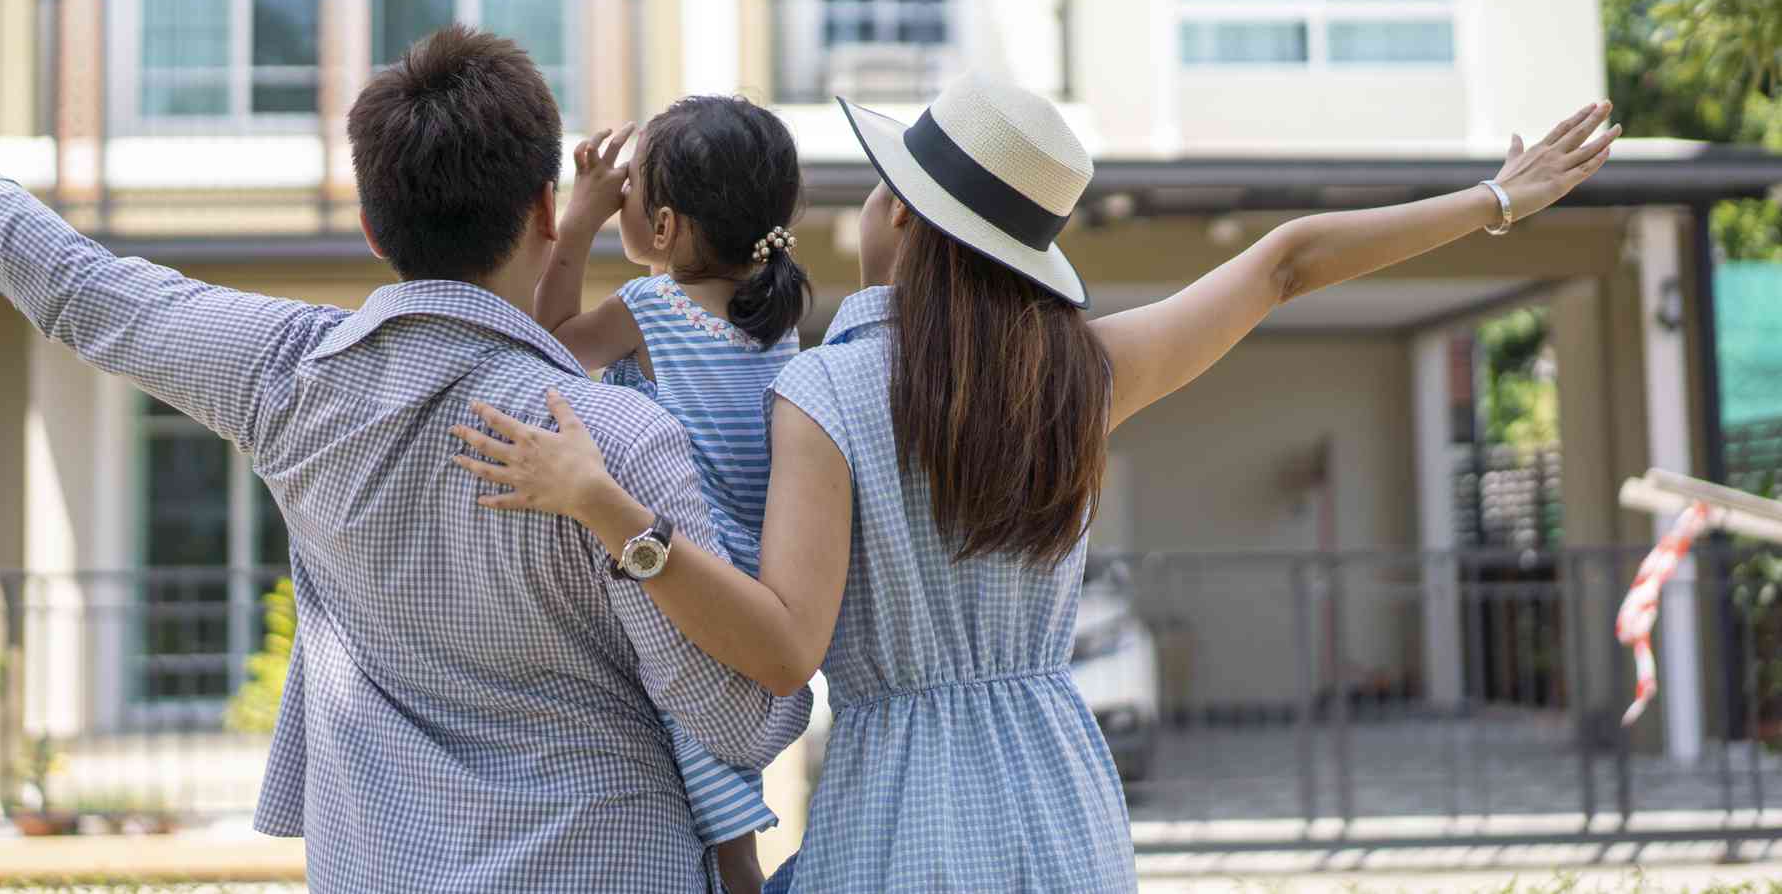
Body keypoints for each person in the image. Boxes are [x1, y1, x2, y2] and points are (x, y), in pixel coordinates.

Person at [454, 73, 1619, 892]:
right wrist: (1496, 201)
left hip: (900, 812)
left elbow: (779, 650)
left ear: (900, 219)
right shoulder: (1081, 373)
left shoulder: (821, 396)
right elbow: (1283, 263)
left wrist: (607, 508)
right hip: (1064, 795)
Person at [0, 9, 810, 894]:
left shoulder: (288, 375)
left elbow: (78, 288)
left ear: (367, 222)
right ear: (545, 209)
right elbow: (736, 717)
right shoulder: (619, 438)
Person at [532, 97, 813, 894]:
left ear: (662, 230)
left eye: (625, 193)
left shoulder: (655, 308)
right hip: (764, 564)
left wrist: (577, 222)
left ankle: (739, 874)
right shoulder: (777, 316)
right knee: (708, 742)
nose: (612, 197)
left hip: (692, 552)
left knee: (687, 725)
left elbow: (545, 346)